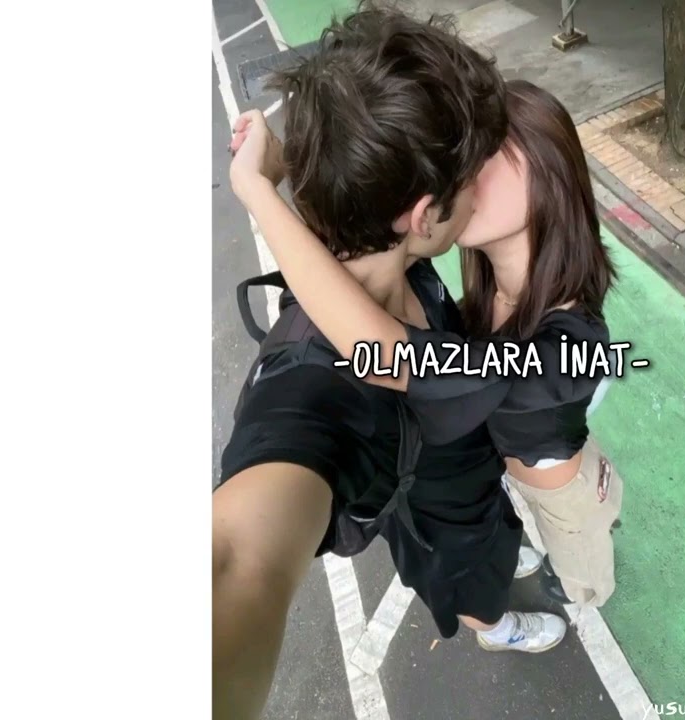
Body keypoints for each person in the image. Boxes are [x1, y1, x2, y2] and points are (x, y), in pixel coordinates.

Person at [214, 11, 566, 720]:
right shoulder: (314, 388)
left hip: (474, 487)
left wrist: (269, 184)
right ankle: (494, 627)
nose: (483, 192)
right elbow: (232, 560)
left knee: (500, 537)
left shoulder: (359, 238)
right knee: (476, 586)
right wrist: (257, 191)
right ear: (425, 215)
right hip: (443, 531)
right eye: (473, 180)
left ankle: (504, 555)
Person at [232, 78, 625, 612]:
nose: (456, 180)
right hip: (508, 471)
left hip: (561, 492)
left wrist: (256, 190)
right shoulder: (485, 274)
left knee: (583, 571)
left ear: (547, 179)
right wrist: (288, 172)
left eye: (484, 160)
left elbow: (395, 358)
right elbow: (362, 245)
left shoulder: (570, 344)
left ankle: (583, 587)